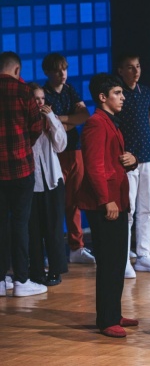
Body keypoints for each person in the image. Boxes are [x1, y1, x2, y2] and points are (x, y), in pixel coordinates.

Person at [78, 73, 139, 338]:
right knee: (109, 261)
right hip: (105, 202)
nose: (123, 97)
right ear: (102, 97)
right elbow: (94, 166)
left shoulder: (110, 121)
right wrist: (105, 200)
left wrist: (133, 160)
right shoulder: (95, 123)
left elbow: (114, 159)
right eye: (117, 93)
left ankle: (114, 313)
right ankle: (106, 319)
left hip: (118, 198)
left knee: (117, 259)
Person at [0, 51, 45, 297]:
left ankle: (0, 281)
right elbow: (36, 127)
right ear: (17, 70)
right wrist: (23, 144)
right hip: (21, 168)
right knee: (20, 224)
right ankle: (21, 281)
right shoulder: (24, 91)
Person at [42, 53, 94, 264]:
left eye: (64, 69)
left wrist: (60, 120)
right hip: (54, 154)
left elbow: (84, 116)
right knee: (54, 203)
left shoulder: (70, 89)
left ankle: (76, 247)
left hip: (75, 149)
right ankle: (51, 251)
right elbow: (48, 126)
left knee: (75, 201)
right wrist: (65, 122)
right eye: (57, 70)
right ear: (47, 72)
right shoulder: (43, 94)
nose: (62, 73)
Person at [116, 53, 150, 278]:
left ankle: (143, 254)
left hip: (148, 158)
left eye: (138, 66)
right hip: (128, 160)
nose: (135, 71)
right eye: (130, 67)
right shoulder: (119, 94)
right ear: (120, 71)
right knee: (129, 210)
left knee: (147, 208)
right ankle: (124, 257)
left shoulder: (145, 92)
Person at [28, 83, 68, 287]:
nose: (40, 102)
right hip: (31, 183)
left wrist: (51, 118)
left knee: (54, 229)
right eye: (36, 99)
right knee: (34, 230)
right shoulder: (23, 121)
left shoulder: (51, 120)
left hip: (53, 181)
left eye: (42, 99)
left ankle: (55, 270)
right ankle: (36, 271)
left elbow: (61, 145)